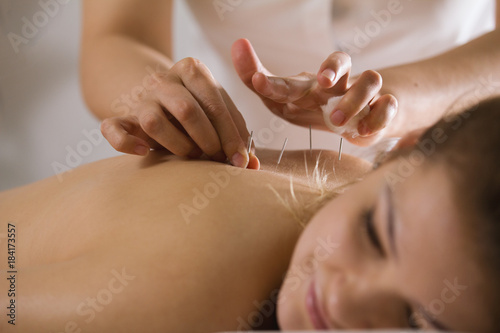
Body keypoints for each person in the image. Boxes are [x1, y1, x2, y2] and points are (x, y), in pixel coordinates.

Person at [1, 97, 499, 332]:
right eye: (373, 233)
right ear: (394, 154)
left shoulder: (350, 180)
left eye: (415, 324)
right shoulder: (194, 289)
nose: (347, 301)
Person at [80, 0, 500, 168]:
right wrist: (160, 95)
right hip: (234, 163)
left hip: (457, 157)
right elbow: (117, 34)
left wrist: (388, 103)